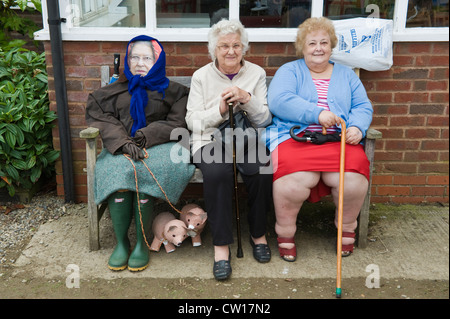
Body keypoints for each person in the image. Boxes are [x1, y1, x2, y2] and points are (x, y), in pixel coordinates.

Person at [265, 17, 373, 262]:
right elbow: (279, 100)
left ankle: (346, 228)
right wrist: (317, 113)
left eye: (324, 42)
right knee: (294, 181)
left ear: (332, 45)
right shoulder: (289, 71)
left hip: (338, 140)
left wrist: (357, 127)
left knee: (352, 180)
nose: (318, 48)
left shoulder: (346, 75)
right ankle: (285, 233)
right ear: (302, 47)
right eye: (312, 43)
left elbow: (362, 106)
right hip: (296, 138)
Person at [86, 35, 195, 272]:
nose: (140, 62)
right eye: (134, 57)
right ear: (128, 60)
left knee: (146, 168)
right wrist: (123, 142)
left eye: (147, 57)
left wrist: (146, 135)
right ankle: (123, 243)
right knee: (119, 169)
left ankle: (142, 244)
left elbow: (177, 123)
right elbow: (101, 117)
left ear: (157, 61)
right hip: (121, 147)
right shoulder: (110, 93)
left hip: (160, 146)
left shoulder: (176, 92)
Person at [186, 19, 273, 280]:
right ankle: (221, 247)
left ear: (244, 48)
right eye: (224, 46)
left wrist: (247, 99)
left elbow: (264, 119)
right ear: (214, 49)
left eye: (236, 45)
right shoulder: (201, 76)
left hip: (246, 139)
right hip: (209, 141)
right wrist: (220, 110)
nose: (231, 51)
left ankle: (258, 234)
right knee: (218, 173)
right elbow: (192, 121)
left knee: (262, 169)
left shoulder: (256, 73)